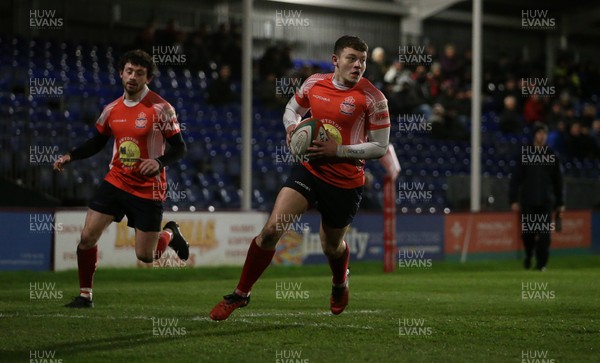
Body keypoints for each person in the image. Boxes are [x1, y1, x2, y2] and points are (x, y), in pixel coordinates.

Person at [209, 35, 391, 321]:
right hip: (310, 171)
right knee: (270, 231)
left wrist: (338, 149)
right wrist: (292, 127)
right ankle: (241, 294)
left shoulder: (374, 99)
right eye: (351, 59)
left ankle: (339, 282)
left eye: (363, 60)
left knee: (331, 246)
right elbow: (292, 109)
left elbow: (380, 147)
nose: (358, 65)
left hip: (345, 182)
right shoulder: (314, 83)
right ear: (335, 60)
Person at [53, 49, 189, 308]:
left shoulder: (161, 108)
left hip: (148, 188)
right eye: (129, 71)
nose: (133, 77)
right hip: (116, 181)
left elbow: (180, 147)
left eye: (139, 73)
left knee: (146, 256)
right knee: (87, 238)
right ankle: (85, 296)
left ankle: (170, 233)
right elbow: (97, 142)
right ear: (121, 73)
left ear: (147, 77)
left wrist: (159, 162)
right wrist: (70, 156)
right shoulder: (111, 109)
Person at [509, 123, 564, 271]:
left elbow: (558, 180)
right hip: (528, 201)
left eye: (544, 133)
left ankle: (541, 264)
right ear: (534, 135)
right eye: (539, 133)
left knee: (545, 234)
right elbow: (516, 179)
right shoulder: (525, 155)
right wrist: (513, 199)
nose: (542, 136)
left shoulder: (551, 155)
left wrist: (560, 202)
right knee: (528, 234)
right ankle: (528, 254)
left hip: (546, 202)